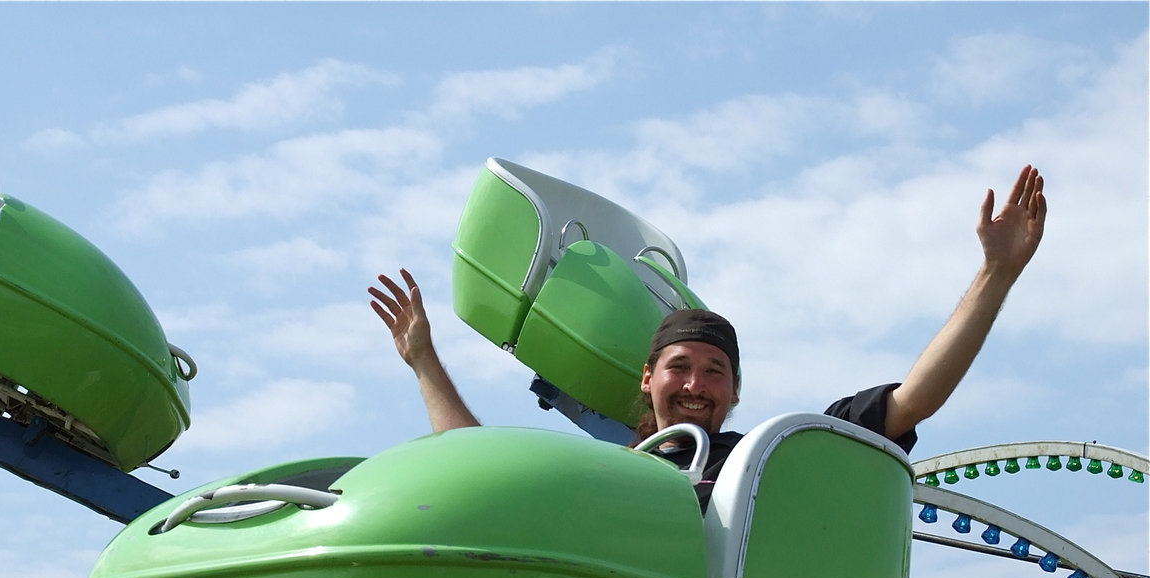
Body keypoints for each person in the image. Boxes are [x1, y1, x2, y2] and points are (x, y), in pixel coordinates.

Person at [369, 165, 1046, 509]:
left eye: (715, 371)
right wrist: (424, 361)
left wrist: (995, 274)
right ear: (647, 379)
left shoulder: (765, 461)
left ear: (735, 392)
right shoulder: (604, 477)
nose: (696, 384)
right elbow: (478, 468)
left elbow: (912, 400)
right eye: (680, 367)